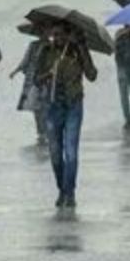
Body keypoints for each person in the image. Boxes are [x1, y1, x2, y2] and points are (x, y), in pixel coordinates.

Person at [35, 24, 97, 209]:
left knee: (71, 153)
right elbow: (36, 79)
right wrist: (48, 74)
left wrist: (83, 48)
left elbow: (92, 75)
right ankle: (62, 189)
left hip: (73, 105)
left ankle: (69, 192)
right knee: (55, 153)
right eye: (55, 34)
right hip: (52, 106)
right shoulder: (45, 51)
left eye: (62, 34)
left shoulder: (77, 51)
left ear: (69, 35)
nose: (58, 38)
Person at [9, 29, 47, 144]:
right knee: (36, 106)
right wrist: (15, 71)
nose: (43, 34)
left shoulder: (53, 46)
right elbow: (25, 61)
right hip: (33, 78)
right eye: (41, 32)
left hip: (46, 78)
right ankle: (41, 131)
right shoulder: (33, 45)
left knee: (45, 105)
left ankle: (44, 130)